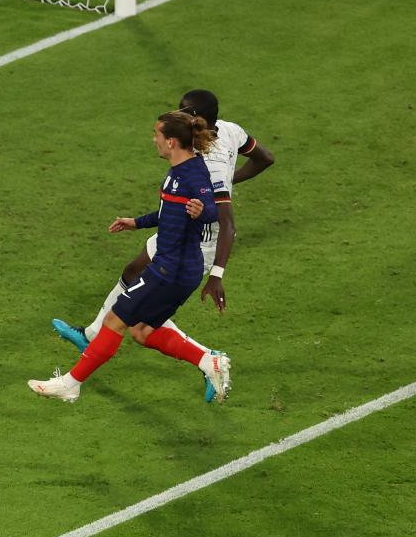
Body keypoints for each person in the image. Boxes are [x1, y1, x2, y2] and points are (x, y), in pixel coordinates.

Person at [50, 90, 275, 401]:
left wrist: (218, 273)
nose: (177, 114)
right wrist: (137, 221)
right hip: (177, 230)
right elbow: (266, 158)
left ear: (199, 120)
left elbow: (226, 222)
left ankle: (205, 358)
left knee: (136, 318)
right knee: (135, 279)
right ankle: (91, 336)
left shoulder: (207, 163)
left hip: (195, 242)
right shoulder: (227, 132)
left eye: (184, 111)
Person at [29, 111, 230, 403]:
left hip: (171, 271)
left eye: (156, 135)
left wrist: (204, 212)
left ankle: (71, 384)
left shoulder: (193, 174)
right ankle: (207, 361)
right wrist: (135, 222)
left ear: (171, 142)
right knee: (143, 331)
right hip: (173, 269)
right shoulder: (178, 172)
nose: (154, 140)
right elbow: (167, 214)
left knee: (114, 320)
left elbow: (215, 212)